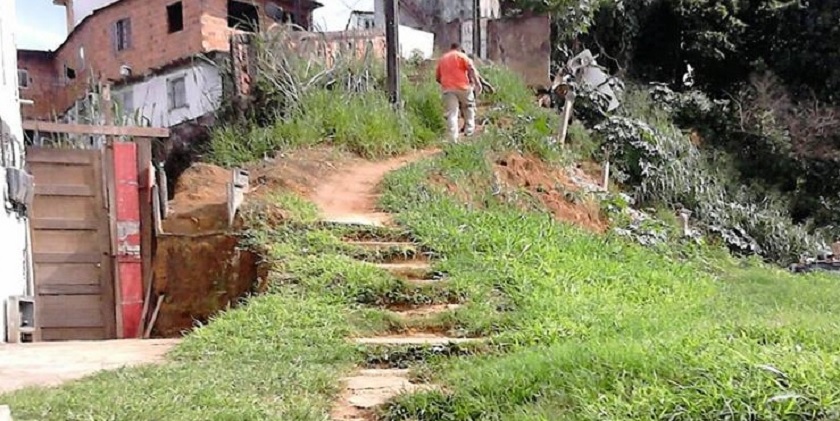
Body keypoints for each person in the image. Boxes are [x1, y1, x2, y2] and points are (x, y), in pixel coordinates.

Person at [435, 43, 482, 141]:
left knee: (452, 113)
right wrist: (477, 83)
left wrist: (445, 84)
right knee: (469, 108)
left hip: (448, 89)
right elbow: (471, 69)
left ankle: (453, 138)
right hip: (463, 87)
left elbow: (438, 77)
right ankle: (469, 132)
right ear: (459, 49)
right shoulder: (462, 56)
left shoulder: (443, 58)